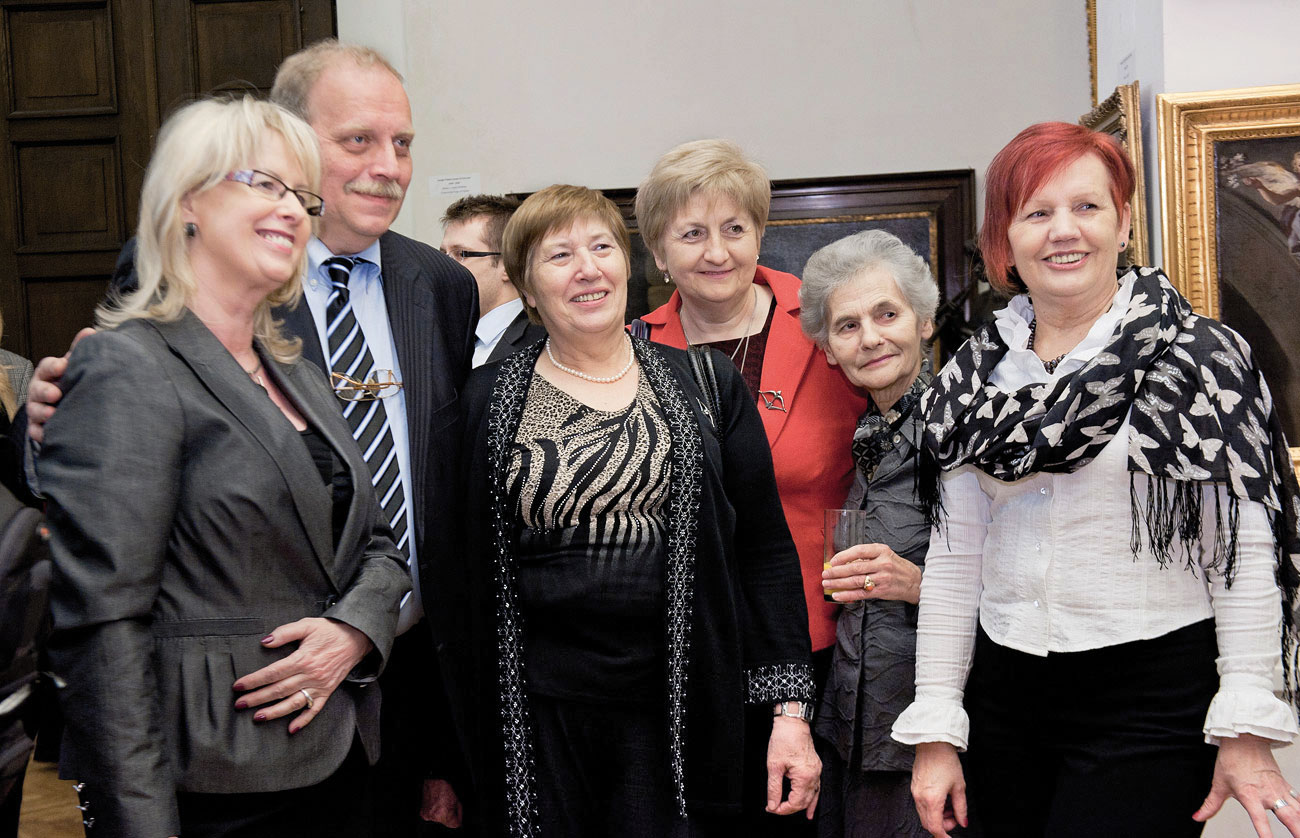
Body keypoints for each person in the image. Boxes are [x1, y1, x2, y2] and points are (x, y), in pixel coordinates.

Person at [24, 40, 479, 832]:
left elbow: (384, 532)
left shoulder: (307, 360)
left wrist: (357, 627)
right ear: (187, 202)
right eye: (264, 184)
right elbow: (102, 621)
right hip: (218, 759)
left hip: (359, 734)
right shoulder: (139, 355)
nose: (291, 210)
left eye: (297, 195)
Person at [892, 121, 1300, 838]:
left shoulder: (1199, 358)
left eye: (1086, 206)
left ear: (1123, 221)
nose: (1063, 231)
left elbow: (1241, 553)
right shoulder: (969, 377)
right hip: (1003, 696)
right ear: (1005, 236)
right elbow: (956, 562)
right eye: (1037, 212)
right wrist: (937, 726)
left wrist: (1244, 725)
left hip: (1152, 700)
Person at [445, 184, 820, 836]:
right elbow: (455, 574)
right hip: (535, 719)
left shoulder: (705, 383)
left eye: (602, 247)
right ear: (526, 287)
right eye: (559, 255)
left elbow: (764, 552)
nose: (587, 269)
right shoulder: (485, 398)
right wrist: (443, 755)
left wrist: (789, 715)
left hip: (681, 708)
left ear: (628, 263)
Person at [631, 140, 869, 828]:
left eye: (734, 228)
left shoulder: (830, 323)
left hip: (823, 643)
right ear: (658, 251)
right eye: (692, 234)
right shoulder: (629, 350)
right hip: (684, 653)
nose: (717, 252)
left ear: (759, 233)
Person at [798, 230, 945, 838]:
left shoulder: (965, 432)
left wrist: (919, 585)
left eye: (887, 314)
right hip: (854, 728)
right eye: (848, 326)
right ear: (830, 351)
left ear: (924, 321)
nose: (870, 338)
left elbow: (1029, 584)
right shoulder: (864, 438)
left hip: (933, 734)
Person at [440, 194, 546, 366]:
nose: (443, 266)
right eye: (442, 254)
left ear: (509, 264)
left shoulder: (543, 344)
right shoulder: (444, 336)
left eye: (461, 254)